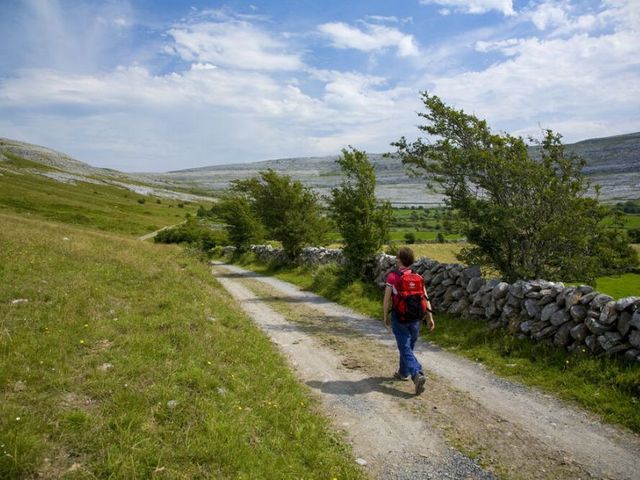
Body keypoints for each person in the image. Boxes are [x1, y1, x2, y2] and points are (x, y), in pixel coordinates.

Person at [383, 246, 435, 395]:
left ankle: (417, 373)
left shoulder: (393, 276)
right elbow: (425, 298)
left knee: (405, 348)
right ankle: (403, 372)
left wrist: (385, 315)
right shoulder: (417, 277)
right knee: (407, 348)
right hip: (415, 319)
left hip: (400, 318)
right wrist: (430, 317)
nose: (396, 258)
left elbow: (387, 300)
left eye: (397, 256)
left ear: (399, 259)